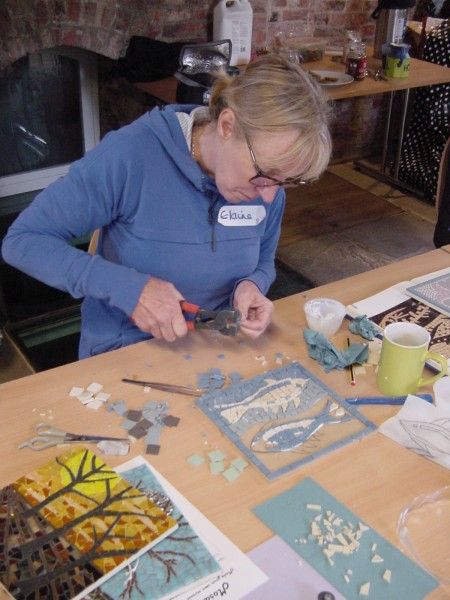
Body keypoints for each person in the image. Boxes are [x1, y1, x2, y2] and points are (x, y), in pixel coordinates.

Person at [1, 54, 331, 359]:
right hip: (125, 354)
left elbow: (263, 262)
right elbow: (23, 241)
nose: (270, 196)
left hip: (217, 349)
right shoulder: (132, 156)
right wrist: (130, 289)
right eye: (264, 175)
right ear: (227, 126)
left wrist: (252, 286)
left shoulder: (268, 184)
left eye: (288, 182)